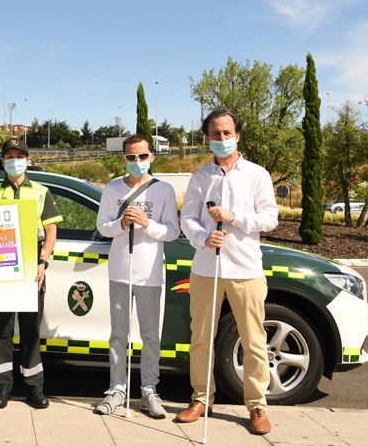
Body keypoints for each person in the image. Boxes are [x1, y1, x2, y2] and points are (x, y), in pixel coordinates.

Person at [177, 108, 278, 435]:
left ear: (237, 135)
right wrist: (204, 237)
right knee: (201, 338)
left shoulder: (257, 174)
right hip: (207, 267)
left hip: (246, 267)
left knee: (253, 340)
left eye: (227, 133)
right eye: (215, 134)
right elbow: (187, 220)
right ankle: (201, 398)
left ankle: (257, 405)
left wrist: (234, 217)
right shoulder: (200, 177)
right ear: (207, 137)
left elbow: (270, 219)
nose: (221, 139)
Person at [94, 135, 180, 418]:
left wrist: (147, 224)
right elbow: (103, 227)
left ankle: (149, 391)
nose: (137, 162)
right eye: (131, 157)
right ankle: (116, 390)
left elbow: (172, 231)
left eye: (142, 156)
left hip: (150, 273)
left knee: (150, 335)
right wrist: (121, 223)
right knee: (118, 334)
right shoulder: (112, 188)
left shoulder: (164, 190)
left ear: (151, 157)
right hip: (120, 270)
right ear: (123, 159)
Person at [0, 138, 62, 409]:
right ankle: (2, 388)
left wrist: (43, 262)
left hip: (32, 270)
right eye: (9, 156)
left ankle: (34, 388)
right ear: (2, 161)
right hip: (1, 271)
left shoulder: (41, 192)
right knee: (3, 332)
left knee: (31, 332)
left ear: (28, 160)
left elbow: (51, 231)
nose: (14, 160)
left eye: (20, 156)